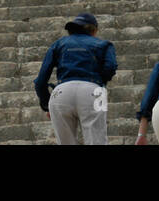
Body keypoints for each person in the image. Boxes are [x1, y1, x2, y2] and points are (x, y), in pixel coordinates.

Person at [33, 12, 117, 145]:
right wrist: (98, 81)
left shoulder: (58, 44)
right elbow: (110, 68)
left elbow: (40, 81)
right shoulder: (104, 44)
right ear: (94, 30)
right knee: (97, 141)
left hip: (61, 92)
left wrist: (46, 105)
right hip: (93, 90)